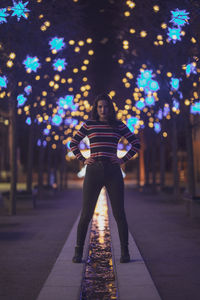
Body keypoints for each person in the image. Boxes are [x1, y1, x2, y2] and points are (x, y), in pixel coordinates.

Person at [69, 93, 140, 263]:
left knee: (119, 214)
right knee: (86, 214)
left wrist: (122, 160)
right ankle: (78, 252)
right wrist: (83, 159)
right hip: (93, 171)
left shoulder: (118, 125)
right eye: (100, 106)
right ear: (96, 108)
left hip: (113, 172)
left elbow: (136, 143)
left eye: (106, 106)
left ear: (110, 108)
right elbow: (73, 143)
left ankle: (125, 252)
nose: (103, 109)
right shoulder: (89, 124)